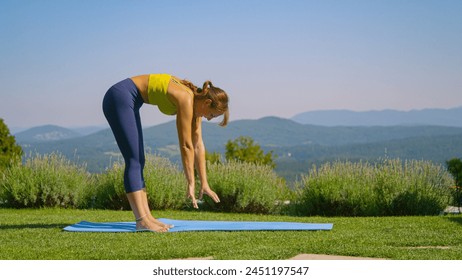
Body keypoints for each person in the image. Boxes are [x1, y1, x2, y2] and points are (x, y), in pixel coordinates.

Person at [102, 74, 229, 232]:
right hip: (119, 97)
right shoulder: (186, 98)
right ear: (207, 102)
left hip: (131, 100)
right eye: (211, 115)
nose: (209, 119)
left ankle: (147, 218)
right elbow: (186, 145)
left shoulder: (195, 104)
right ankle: (142, 221)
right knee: (134, 160)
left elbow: (198, 145)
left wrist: (204, 182)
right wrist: (190, 182)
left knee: (139, 160)